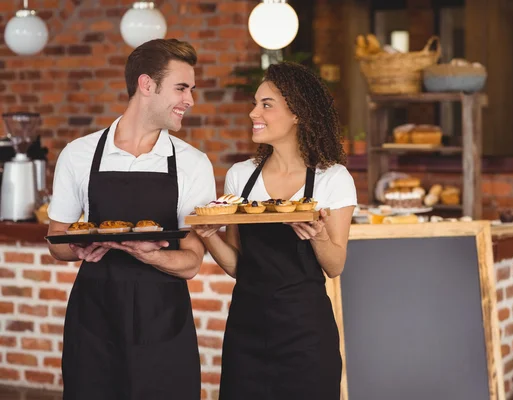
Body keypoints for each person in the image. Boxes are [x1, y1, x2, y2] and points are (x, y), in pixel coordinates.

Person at [46, 39, 215, 400]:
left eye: (192, 89)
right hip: (94, 319)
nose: (190, 100)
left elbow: (191, 262)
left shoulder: (192, 164)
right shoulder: (78, 155)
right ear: (146, 85)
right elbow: (56, 239)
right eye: (181, 88)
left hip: (163, 320)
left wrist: (150, 255)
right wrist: (77, 250)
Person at [193, 61, 357, 400]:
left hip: (306, 333)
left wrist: (318, 235)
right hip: (246, 330)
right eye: (255, 103)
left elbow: (335, 264)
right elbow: (239, 266)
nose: (254, 112)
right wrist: (209, 236)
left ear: (298, 114)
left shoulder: (332, 178)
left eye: (266, 105)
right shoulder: (241, 176)